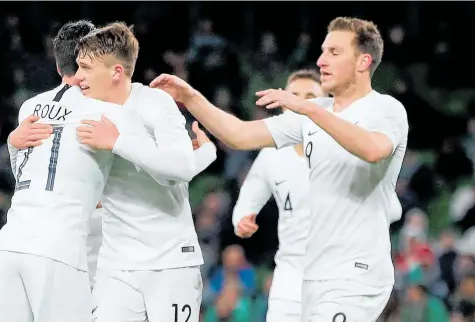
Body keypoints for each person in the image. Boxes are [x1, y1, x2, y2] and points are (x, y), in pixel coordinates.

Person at [151, 16, 408, 321]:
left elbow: (373, 150)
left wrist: (309, 109)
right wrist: (191, 97)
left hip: (356, 271)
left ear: (363, 61)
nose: (322, 60)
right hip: (312, 273)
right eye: (323, 51)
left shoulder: (385, 109)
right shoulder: (314, 115)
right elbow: (239, 134)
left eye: (334, 53)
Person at [72, 22, 212, 322]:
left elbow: (181, 168)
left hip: (171, 262)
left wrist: (118, 142)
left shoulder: (154, 103)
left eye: (86, 67)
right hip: (116, 264)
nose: (78, 76)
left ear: (116, 73)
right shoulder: (84, 112)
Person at [0, 20, 127, 322]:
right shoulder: (107, 112)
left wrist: (13, 143)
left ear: (57, 64)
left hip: (10, 246)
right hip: (58, 250)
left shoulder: (29, 107)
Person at [232, 69, 326, 322]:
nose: (299, 102)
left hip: (335, 275)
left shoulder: (342, 151)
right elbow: (246, 202)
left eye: (310, 96)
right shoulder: (272, 155)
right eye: (294, 95)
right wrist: (242, 220)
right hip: (290, 275)